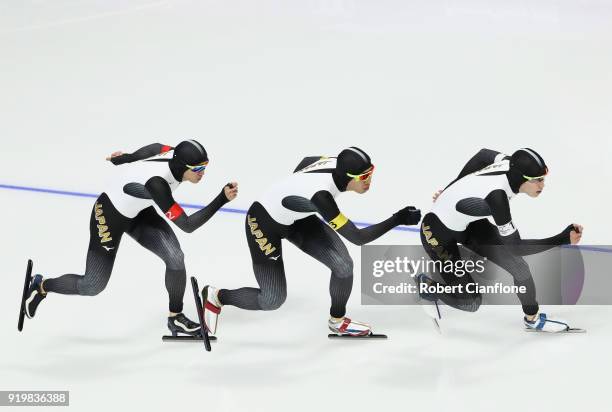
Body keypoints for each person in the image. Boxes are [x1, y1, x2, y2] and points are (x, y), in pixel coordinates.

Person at [23, 140, 238, 336]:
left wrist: (126, 157)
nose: (203, 173)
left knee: (175, 258)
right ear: (183, 166)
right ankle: (41, 287)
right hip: (110, 215)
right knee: (93, 285)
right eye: (198, 169)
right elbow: (188, 225)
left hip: (139, 212)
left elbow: (155, 148)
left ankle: (176, 318)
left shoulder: (172, 154)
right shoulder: (158, 184)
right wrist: (221, 199)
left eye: (205, 167)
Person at [202, 147, 422, 337]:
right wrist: (398, 219)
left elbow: (305, 162)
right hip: (264, 222)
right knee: (272, 299)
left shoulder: (333, 164)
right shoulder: (321, 197)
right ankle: (217, 296)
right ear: (348, 176)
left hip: (299, 217)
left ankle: (337, 321)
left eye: (370, 173)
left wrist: (292, 193)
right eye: (364, 177)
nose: (369, 181)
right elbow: (358, 238)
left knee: (344, 267)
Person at [420, 148, 583, 332]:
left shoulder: (509, 162)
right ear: (522, 177)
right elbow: (517, 247)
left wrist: (451, 189)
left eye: (543, 179)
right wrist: (562, 239)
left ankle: (532, 318)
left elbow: (482, 155)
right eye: (537, 180)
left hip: (468, 224)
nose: (542, 185)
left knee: (519, 268)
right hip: (436, 232)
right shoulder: (497, 198)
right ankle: (427, 285)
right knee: (471, 302)